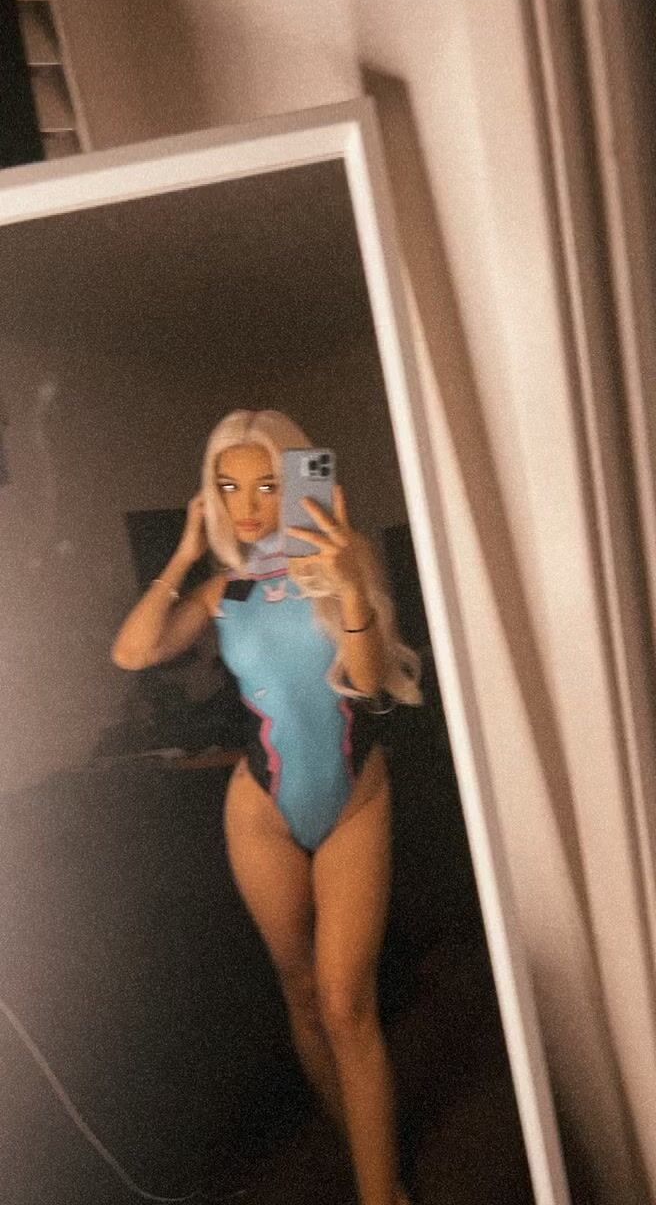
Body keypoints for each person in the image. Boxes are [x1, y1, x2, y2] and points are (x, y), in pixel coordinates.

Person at [112, 409, 422, 1205]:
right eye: (228, 486)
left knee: (347, 1004)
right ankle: (368, 1152)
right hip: (260, 811)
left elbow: (368, 679)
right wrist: (186, 553)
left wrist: (347, 579)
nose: (247, 505)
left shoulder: (340, 563)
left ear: (295, 483)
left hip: (355, 799)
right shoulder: (223, 589)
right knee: (303, 994)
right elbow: (134, 652)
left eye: (266, 484)